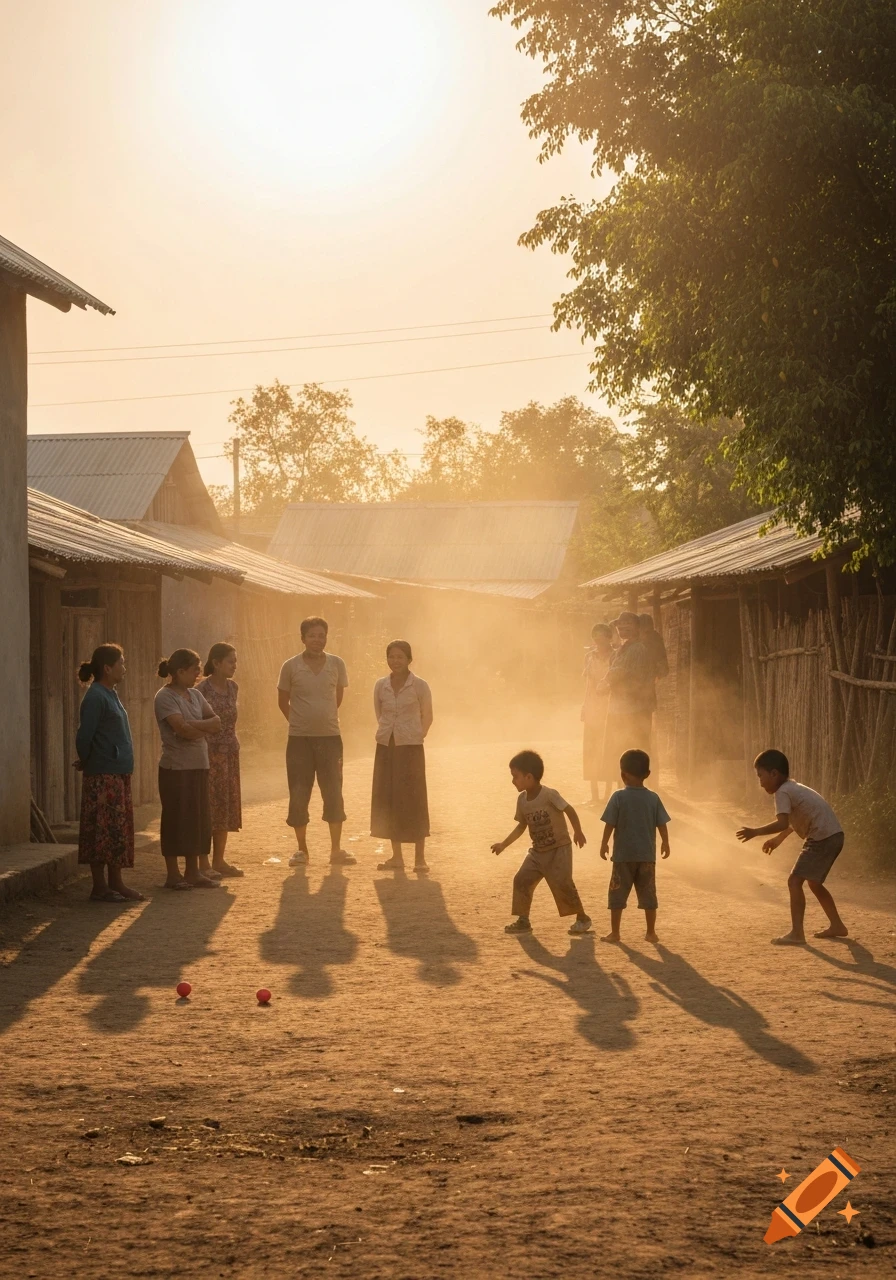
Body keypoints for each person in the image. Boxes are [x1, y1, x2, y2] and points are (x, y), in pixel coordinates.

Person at [736, 749, 848, 946]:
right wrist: (778, 840)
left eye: (760, 775)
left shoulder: (782, 792)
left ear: (774, 774)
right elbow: (792, 822)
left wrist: (755, 832)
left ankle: (797, 933)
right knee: (813, 883)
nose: (760, 782)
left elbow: (781, 822)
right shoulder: (792, 788)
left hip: (822, 837)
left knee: (794, 882)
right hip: (833, 835)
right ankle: (837, 925)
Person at [277, 616, 355, 868]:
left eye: (321, 635)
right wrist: (300, 723)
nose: (317, 640)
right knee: (299, 792)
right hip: (299, 740)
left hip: (331, 738)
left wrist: (322, 719)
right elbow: (282, 701)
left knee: (333, 791)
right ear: (302, 638)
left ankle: (336, 850)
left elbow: (337, 698)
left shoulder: (336, 664)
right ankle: (301, 850)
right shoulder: (290, 666)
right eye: (312, 635)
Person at [492, 749, 591, 936]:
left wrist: (578, 831)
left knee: (563, 884)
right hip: (537, 852)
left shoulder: (549, 795)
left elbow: (569, 810)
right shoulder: (522, 800)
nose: (513, 781)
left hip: (558, 849)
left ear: (529, 777)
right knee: (521, 880)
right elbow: (522, 826)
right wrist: (504, 844)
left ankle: (582, 918)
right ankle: (523, 920)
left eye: (515, 776)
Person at [75, 643, 144, 903]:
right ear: (107, 668)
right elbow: (84, 737)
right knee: (101, 829)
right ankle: (100, 886)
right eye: (121, 663)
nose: (124, 668)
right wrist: (88, 761)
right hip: (103, 775)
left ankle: (116, 883)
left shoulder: (110, 694)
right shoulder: (95, 697)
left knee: (116, 829)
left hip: (116, 772)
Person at [154, 648, 223, 890]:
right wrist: (200, 727)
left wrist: (192, 726)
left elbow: (216, 722)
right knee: (175, 818)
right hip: (176, 768)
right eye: (194, 669)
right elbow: (181, 730)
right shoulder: (164, 697)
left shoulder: (194, 695)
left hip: (198, 765)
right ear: (180, 671)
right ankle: (173, 874)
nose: (197, 674)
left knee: (197, 818)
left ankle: (193, 871)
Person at [371, 640, 433, 874]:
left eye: (400, 657)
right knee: (389, 799)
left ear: (409, 659)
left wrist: (416, 735)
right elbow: (380, 714)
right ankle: (396, 857)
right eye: (391, 656)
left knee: (414, 800)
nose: (395, 661)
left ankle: (420, 858)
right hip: (386, 747)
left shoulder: (420, 686)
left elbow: (427, 715)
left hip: (411, 749)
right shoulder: (380, 685)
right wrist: (392, 735)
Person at [599, 749, 671, 944]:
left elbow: (610, 824)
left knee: (617, 894)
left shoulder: (618, 797)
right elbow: (661, 823)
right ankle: (651, 932)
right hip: (647, 856)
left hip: (622, 856)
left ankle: (615, 933)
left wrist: (604, 843)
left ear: (622, 774)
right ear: (647, 775)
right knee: (648, 894)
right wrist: (665, 842)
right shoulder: (653, 798)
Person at [197, 642, 244, 879]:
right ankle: (203, 862)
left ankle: (219, 860)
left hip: (229, 754)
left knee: (224, 804)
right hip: (208, 755)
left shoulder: (233, 688)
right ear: (216, 663)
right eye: (230, 661)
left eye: (235, 661)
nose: (234, 666)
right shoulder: (201, 690)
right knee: (208, 806)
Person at [603, 611, 652, 781]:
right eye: (620, 624)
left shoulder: (638, 649)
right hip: (618, 708)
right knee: (619, 751)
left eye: (628, 624)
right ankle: (622, 787)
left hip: (633, 709)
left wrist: (611, 678)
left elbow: (632, 676)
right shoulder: (620, 651)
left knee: (633, 751)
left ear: (637, 628)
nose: (623, 627)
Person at [582, 622, 614, 806]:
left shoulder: (616, 655)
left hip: (610, 707)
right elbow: (588, 684)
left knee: (607, 749)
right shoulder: (589, 657)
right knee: (591, 749)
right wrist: (584, 706)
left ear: (609, 637)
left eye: (602, 635)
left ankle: (607, 795)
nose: (599, 639)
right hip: (593, 707)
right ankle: (594, 795)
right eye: (596, 635)